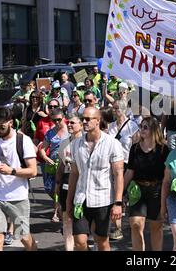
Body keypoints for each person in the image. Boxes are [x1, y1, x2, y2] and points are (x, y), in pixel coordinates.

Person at [66, 107, 125, 251]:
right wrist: (68, 200)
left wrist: (118, 203)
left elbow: (118, 174)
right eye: (83, 119)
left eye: (88, 119)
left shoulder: (112, 144)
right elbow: (74, 174)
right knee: (79, 241)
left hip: (102, 200)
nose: (84, 122)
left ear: (97, 121)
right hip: (81, 199)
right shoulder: (75, 144)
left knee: (102, 241)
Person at [0, 106, 38, 251]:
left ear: (11, 122)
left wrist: (11, 171)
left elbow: (33, 171)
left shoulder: (23, 141)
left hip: (17, 199)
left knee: (23, 237)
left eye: (1, 127)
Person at [124, 117, 169, 251]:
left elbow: (167, 176)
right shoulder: (135, 148)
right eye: (141, 126)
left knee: (156, 227)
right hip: (137, 190)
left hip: (157, 191)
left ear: (154, 130)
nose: (141, 129)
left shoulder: (163, 149)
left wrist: (166, 197)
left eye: (145, 127)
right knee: (136, 224)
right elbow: (129, 172)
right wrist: (119, 193)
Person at [108, 99, 140, 240]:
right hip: (114, 164)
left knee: (125, 194)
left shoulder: (132, 126)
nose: (114, 111)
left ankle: (134, 222)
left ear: (123, 109)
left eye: (116, 108)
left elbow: (137, 147)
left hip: (128, 164)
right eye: (113, 109)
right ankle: (118, 228)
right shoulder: (111, 126)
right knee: (117, 195)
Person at [54, 114, 83, 251]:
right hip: (66, 181)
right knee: (67, 218)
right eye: (68, 122)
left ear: (81, 125)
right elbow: (60, 166)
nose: (69, 125)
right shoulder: (64, 142)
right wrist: (57, 185)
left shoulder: (86, 141)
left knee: (84, 219)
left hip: (82, 182)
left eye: (73, 123)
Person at [39, 108, 69, 223]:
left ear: (63, 118)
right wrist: (46, 158)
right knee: (49, 188)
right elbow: (43, 149)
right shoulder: (50, 132)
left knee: (62, 187)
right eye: (54, 120)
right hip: (53, 163)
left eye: (59, 120)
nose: (56, 122)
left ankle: (58, 211)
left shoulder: (69, 130)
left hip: (66, 164)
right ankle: (61, 205)